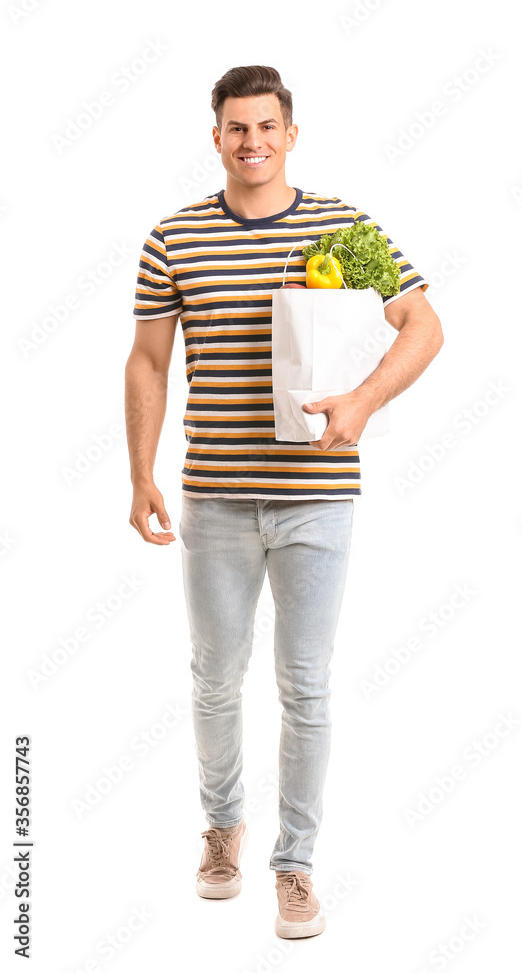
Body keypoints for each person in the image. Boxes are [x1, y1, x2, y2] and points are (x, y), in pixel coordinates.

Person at [125, 65, 443, 940]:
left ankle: (295, 868)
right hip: (213, 500)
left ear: (291, 134)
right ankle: (221, 833)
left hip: (317, 501)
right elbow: (149, 360)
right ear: (217, 136)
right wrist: (139, 472)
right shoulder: (174, 237)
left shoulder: (343, 226)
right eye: (237, 128)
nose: (253, 141)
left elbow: (425, 325)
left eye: (268, 126)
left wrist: (365, 401)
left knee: (305, 687)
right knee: (214, 680)